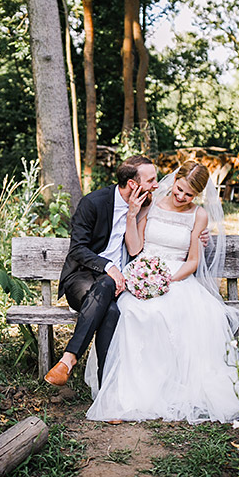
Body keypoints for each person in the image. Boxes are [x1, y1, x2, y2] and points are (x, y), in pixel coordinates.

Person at [84, 160, 239, 422]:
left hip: (176, 279)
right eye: (178, 189)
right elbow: (135, 249)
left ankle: (169, 387)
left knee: (175, 314)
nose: (180, 197)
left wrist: (165, 280)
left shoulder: (198, 215)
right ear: (175, 180)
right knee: (130, 311)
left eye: (188, 194)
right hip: (145, 271)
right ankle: (131, 389)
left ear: (198, 195)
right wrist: (133, 217)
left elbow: (192, 262)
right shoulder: (153, 202)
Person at [43, 156, 159, 387]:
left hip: (116, 285)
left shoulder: (145, 205)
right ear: (133, 184)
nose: (156, 184)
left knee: (112, 312)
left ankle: (74, 365)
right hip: (82, 278)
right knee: (107, 285)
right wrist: (109, 267)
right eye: (151, 180)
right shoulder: (94, 203)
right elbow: (77, 249)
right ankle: (94, 377)